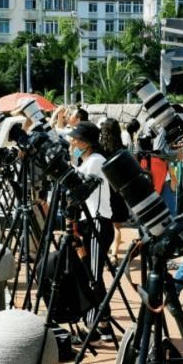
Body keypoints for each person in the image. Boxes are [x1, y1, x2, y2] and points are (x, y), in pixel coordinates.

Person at [70, 121, 115, 342]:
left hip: (98, 223)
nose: (73, 142)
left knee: (92, 275)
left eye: (76, 139)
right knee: (89, 273)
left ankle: (100, 325)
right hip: (90, 223)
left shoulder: (96, 161)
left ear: (87, 142)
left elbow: (76, 187)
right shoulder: (87, 160)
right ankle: (99, 322)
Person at [99, 118, 129, 266]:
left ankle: (103, 253)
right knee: (117, 225)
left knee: (104, 224)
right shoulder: (122, 149)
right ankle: (114, 254)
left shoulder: (99, 150)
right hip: (117, 189)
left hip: (103, 190)